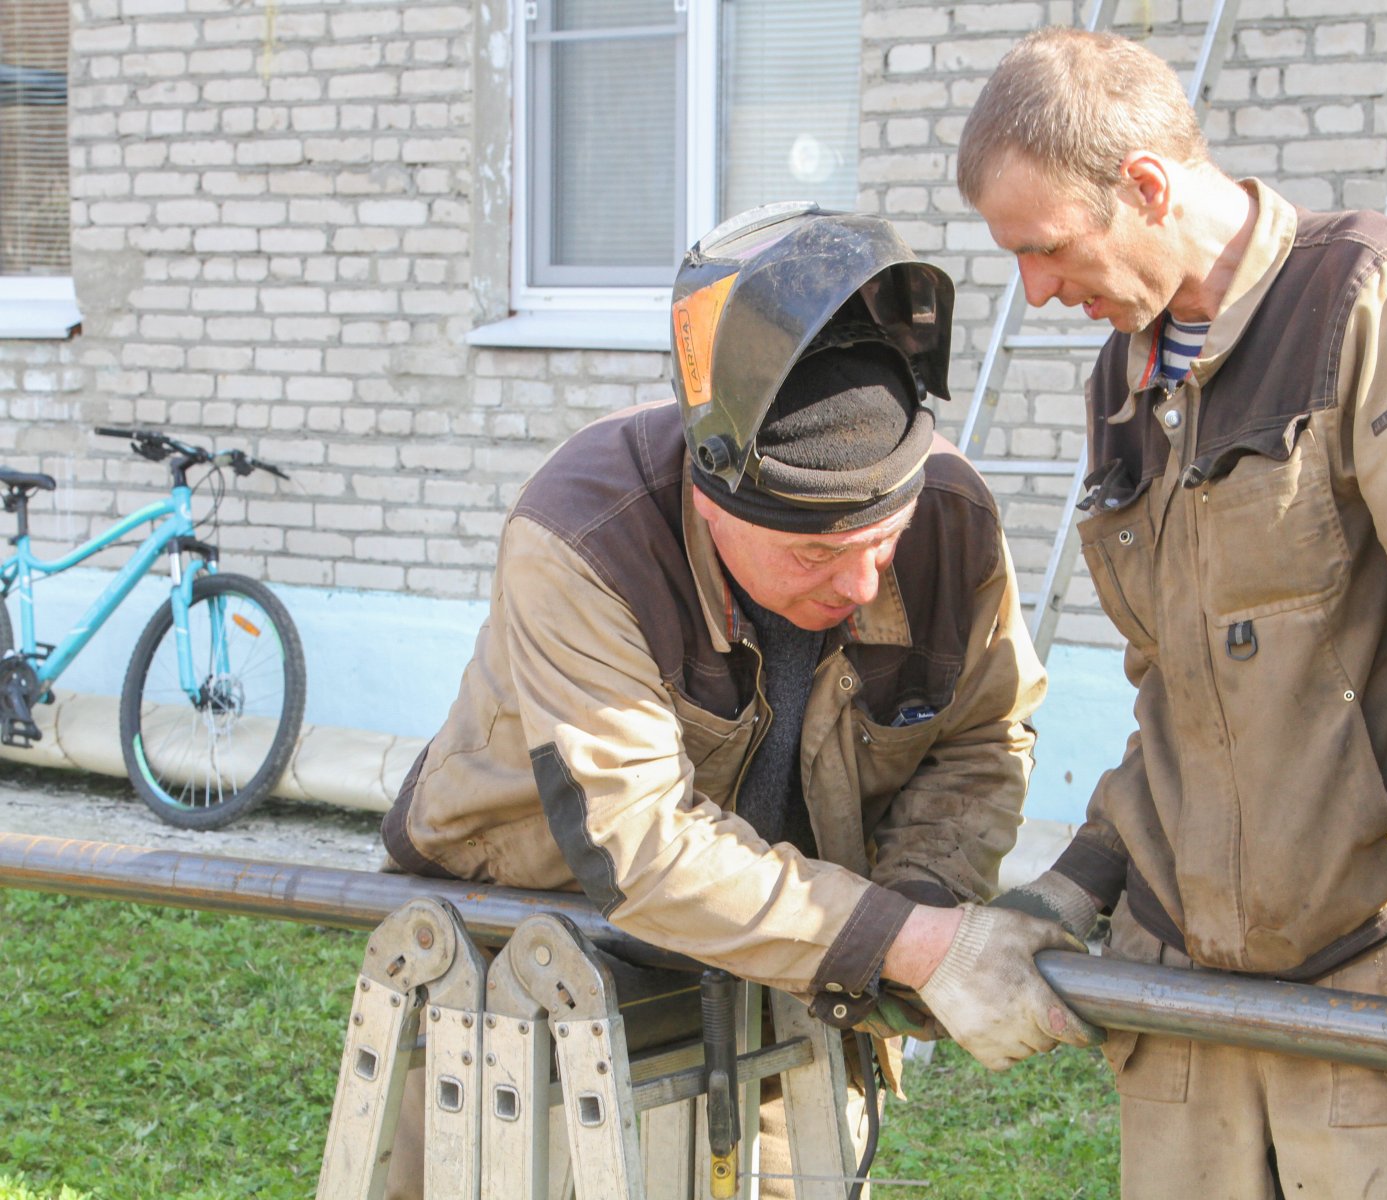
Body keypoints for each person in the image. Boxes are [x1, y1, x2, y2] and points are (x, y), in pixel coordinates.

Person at [961, 29, 1387, 1200]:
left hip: (1377, 996)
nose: (1035, 292)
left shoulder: (1369, 301)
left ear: (1145, 185)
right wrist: (1063, 893)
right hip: (1191, 1005)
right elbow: (1179, 702)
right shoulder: (1124, 377)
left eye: (1044, 249)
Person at [377, 204, 1095, 1198]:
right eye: (816, 554)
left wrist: (924, 913)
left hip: (799, 955)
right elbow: (642, 847)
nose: (857, 587)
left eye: (882, 544)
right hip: (525, 958)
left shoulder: (955, 523)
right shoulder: (583, 539)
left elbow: (979, 738)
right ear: (714, 504)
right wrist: (913, 943)